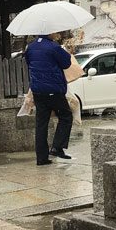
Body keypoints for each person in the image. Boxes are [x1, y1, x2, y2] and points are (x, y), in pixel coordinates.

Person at [24, 31, 74, 165]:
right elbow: (66, 63)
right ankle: (57, 147)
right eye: (54, 31)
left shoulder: (31, 47)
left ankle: (41, 158)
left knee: (41, 124)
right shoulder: (53, 47)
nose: (56, 33)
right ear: (49, 32)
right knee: (66, 116)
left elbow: (29, 63)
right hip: (54, 89)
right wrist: (61, 49)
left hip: (38, 91)